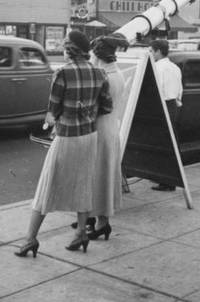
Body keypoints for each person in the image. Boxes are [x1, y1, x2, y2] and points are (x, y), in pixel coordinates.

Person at [14, 30, 113, 258]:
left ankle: (30, 239)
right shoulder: (100, 73)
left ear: (69, 48)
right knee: (84, 183)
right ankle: (80, 232)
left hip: (67, 136)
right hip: (89, 136)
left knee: (47, 185)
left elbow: (54, 110)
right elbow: (107, 106)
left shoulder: (62, 74)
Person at [85, 33, 129, 241]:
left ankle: (102, 223)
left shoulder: (102, 77)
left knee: (99, 177)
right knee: (105, 176)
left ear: (98, 55)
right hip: (111, 129)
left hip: (100, 130)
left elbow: (93, 109)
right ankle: (96, 219)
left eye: (93, 54)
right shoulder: (117, 73)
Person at [149, 38, 183, 191]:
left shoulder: (156, 68)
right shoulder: (175, 68)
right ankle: (170, 179)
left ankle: (165, 182)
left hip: (161, 106)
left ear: (157, 51)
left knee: (161, 144)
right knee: (172, 143)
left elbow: (156, 91)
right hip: (173, 106)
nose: (151, 54)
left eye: (151, 51)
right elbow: (180, 91)